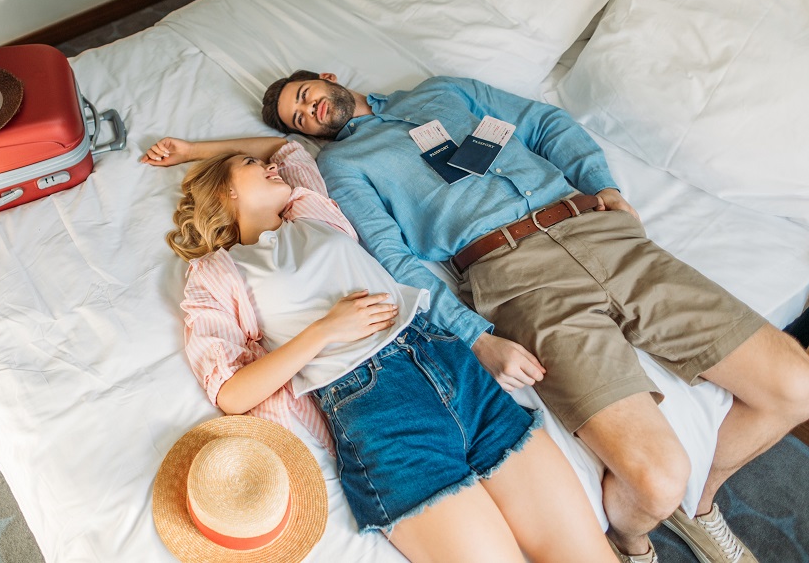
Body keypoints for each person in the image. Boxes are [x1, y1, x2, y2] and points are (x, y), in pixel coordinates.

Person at [259, 70, 809, 563]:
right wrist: (474, 337)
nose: (309, 112)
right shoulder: (344, 163)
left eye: (304, 96)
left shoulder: (445, 91)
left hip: (601, 230)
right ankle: (634, 544)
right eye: (299, 118)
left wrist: (603, 185)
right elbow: (392, 258)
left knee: (797, 386)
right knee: (659, 481)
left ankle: (703, 505)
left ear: (328, 79)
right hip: (515, 274)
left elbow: (545, 123)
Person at [143, 136, 618, 562]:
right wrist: (326, 330)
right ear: (225, 192)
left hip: (446, 363)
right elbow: (231, 393)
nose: (271, 170)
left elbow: (284, 148)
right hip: (376, 410)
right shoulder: (218, 272)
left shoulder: (311, 210)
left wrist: (191, 151)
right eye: (248, 165)